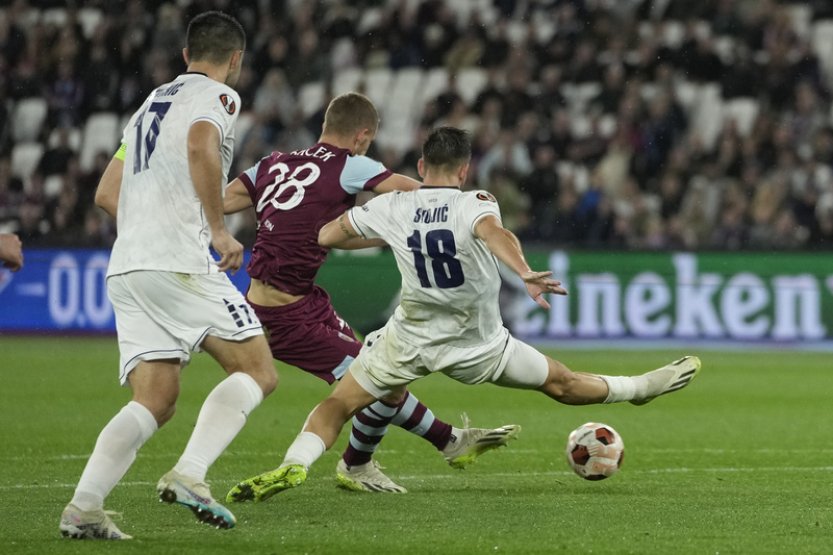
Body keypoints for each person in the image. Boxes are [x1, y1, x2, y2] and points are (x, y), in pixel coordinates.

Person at [225, 126, 702, 500]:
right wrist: (525, 271)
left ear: (420, 164)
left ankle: (295, 462)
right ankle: (637, 390)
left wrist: (387, 231)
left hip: (407, 338)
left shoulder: (394, 205)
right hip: (479, 344)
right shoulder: (473, 202)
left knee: (338, 404)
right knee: (563, 384)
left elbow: (328, 235)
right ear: (465, 169)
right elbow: (496, 234)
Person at [222, 93, 517, 495]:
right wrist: (450, 222)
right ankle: (438, 444)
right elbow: (419, 193)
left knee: (383, 376)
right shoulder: (350, 164)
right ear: (362, 136)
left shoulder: (274, 164)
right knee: (379, 381)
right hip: (285, 317)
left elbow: (221, 202)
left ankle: (369, 462)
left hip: (298, 299)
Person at [59, 12, 277, 540]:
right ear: (236, 59)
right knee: (258, 370)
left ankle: (84, 508)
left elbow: (107, 192)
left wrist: (151, 226)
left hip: (129, 264)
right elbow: (202, 146)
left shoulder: (149, 104)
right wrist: (218, 230)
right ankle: (191, 475)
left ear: (185, 56)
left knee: (155, 397)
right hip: (178, 260)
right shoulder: (220, 98)